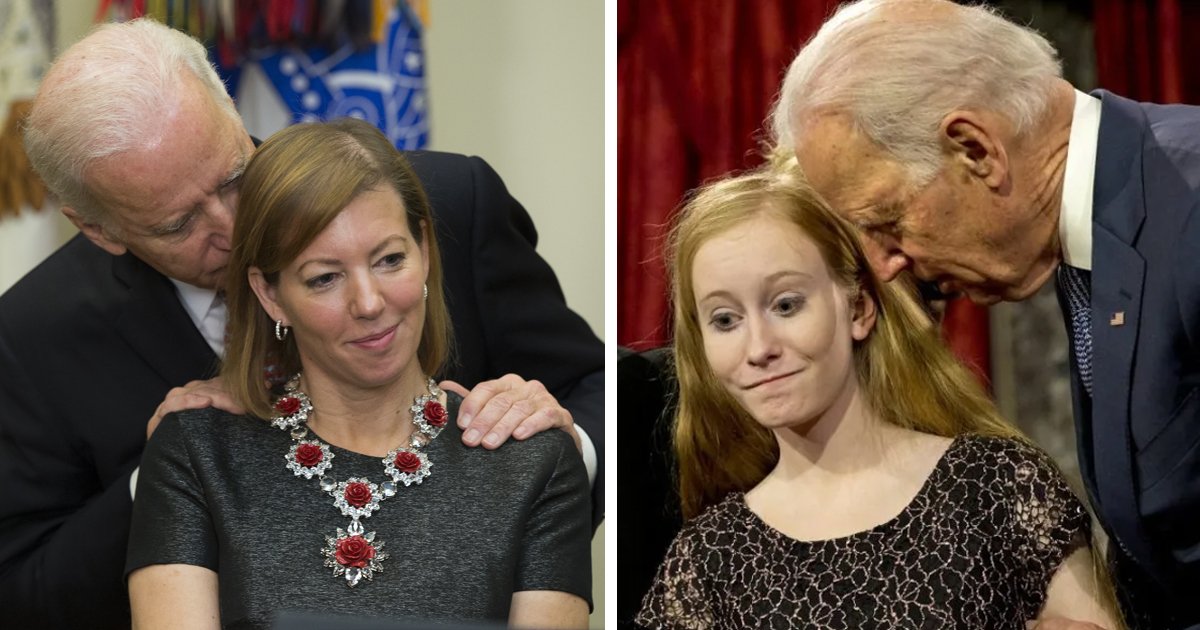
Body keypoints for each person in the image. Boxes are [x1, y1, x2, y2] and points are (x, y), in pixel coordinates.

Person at [0, 18, 602, 630]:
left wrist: (557, 450)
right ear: (99, 229)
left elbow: (603, 387)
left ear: (231, 109)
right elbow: (24, 595)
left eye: (234, 177)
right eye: (179, 224)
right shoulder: (30, 336)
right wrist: (155, 483)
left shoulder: (448, 202)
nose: (234, 228)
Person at [770, 1, 1200, 626]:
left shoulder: (1188, 208)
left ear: (976, 150)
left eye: (887, 222)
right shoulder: (1095, 233)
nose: (885, 265)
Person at [126, 117, 591, 629]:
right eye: (324, 278)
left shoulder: (533, 462)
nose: (369, 303)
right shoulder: (196, 452)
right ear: (271, 294)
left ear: (426, 251)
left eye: (390, 259)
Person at [635, 156, 1118, 629]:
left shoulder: (998, 486)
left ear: (859, 309)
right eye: (725, 320)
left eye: (786, 305)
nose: (758, 348)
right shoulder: (709, 560)